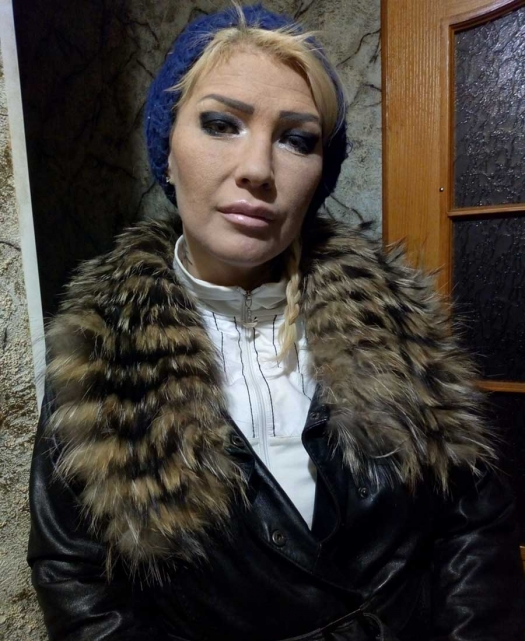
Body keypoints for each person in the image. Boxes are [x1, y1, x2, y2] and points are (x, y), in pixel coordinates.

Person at [28, 4, 524, 641]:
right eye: (220, 124)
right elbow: (77, 577)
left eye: (297, 140)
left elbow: (473, 523)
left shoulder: (400, 323)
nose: (259, 169)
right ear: (168, 151)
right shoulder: (99, 354)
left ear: (320, 175)